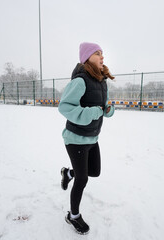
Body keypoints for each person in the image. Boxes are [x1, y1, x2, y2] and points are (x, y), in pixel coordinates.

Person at [58, 42, 115, 235]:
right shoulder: (80, 81)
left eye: (102, 53)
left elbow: (101, 106)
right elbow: (64, 106)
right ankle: (73, 216)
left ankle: (68, 174)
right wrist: (90, 113)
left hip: (92, 137)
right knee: (82, 179)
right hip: (75, 138)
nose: (102, 57)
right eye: (97, 53)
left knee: (94, 171)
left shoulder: (101, 80)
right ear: (87, 58)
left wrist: (108, 110)